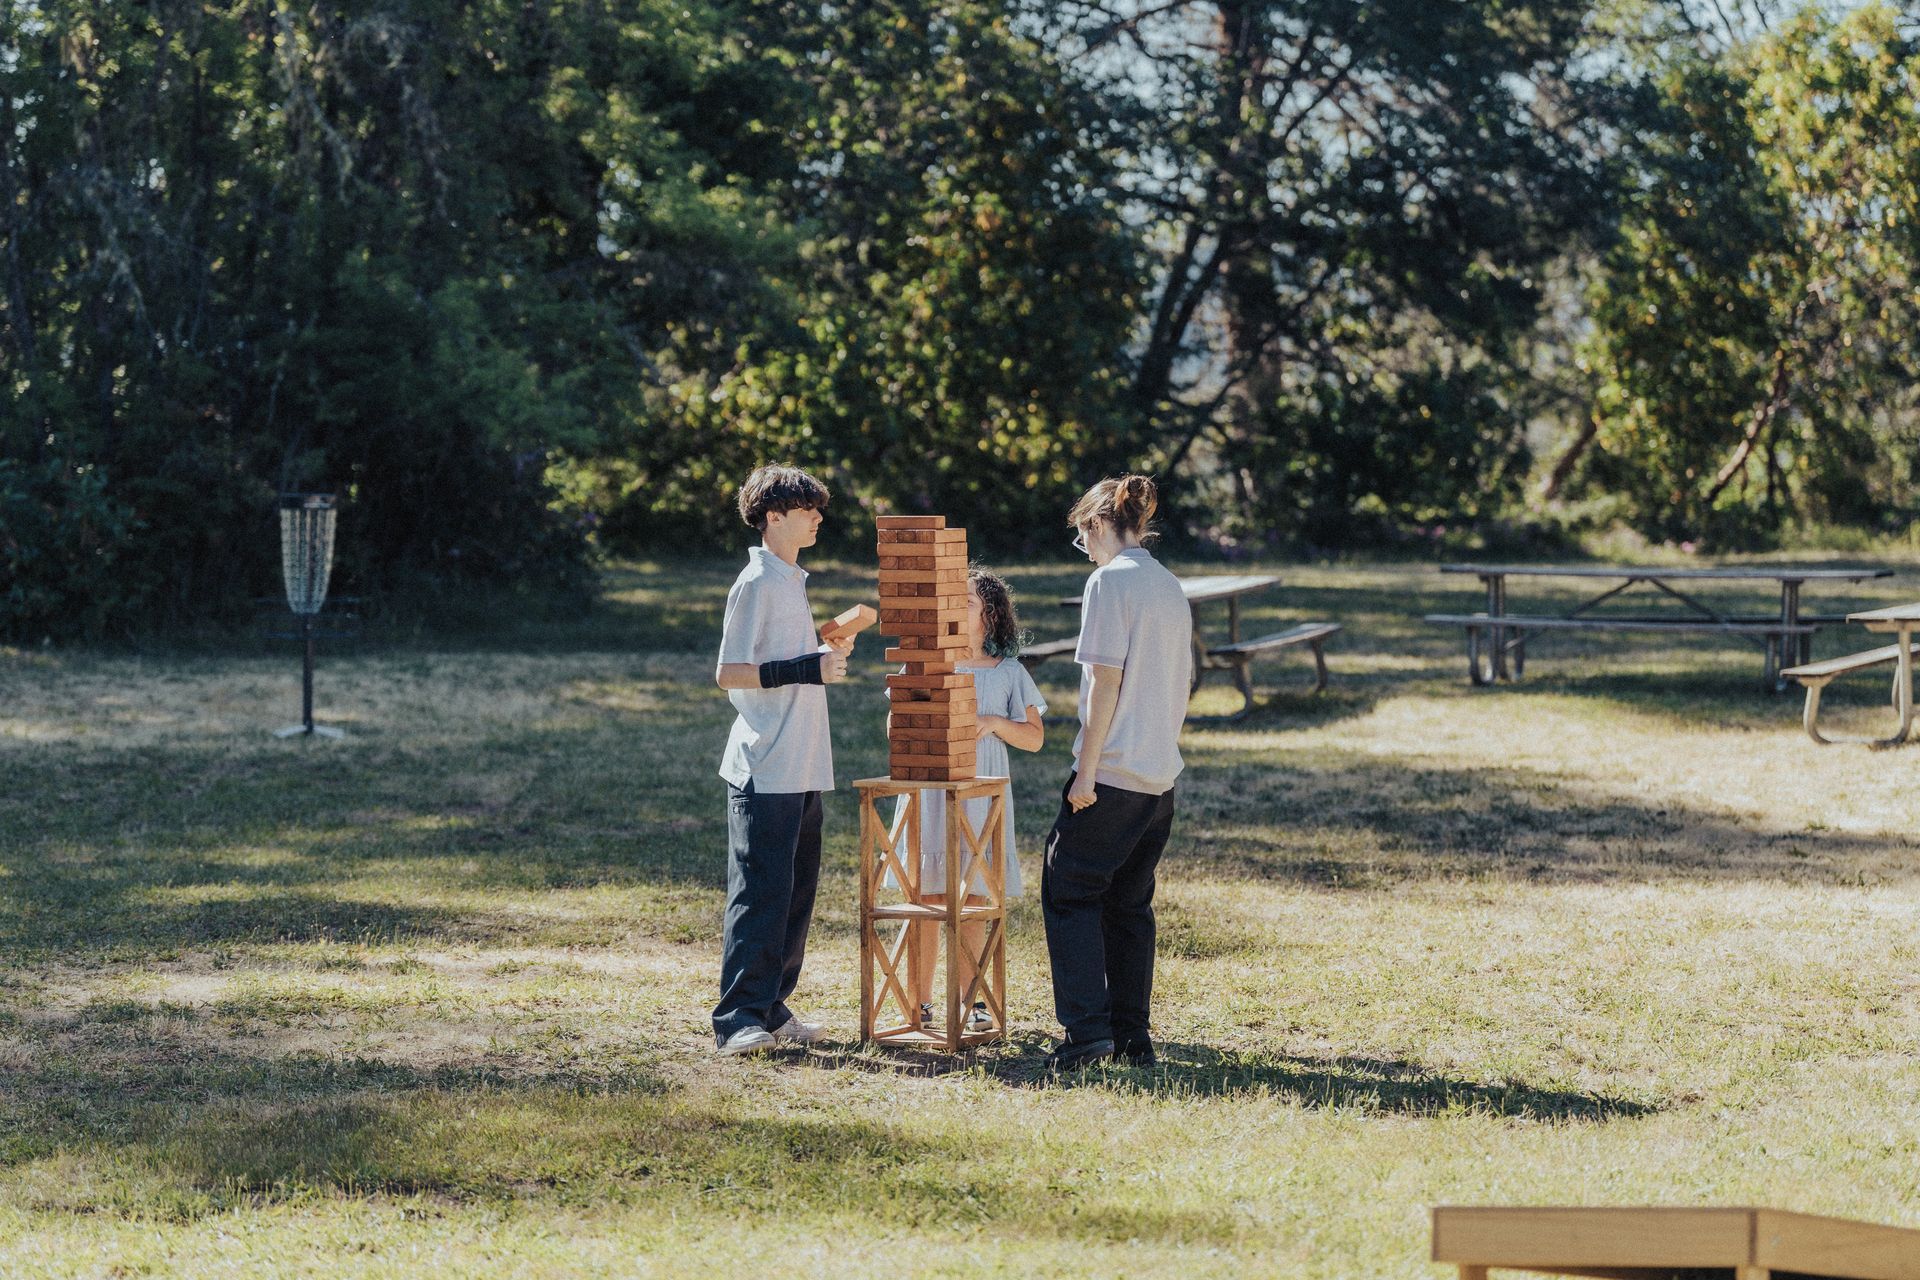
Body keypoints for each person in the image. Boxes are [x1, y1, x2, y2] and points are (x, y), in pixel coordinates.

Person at [1040, 475, 1192, 1072]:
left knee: (1069, 891)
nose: (1087, 552)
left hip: (1115, 772)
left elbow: (1105, 680)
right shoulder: (1168, 584)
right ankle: (1133, 1039)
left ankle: (1085, 1035)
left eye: (1084, 540)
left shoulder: (1109, 582)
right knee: (1129, 907)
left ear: (1097, 526)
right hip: (1159, 777)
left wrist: (1087, 770)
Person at [710, 464, 855, 1055]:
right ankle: (737, 1019)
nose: (819, 516)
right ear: (774, 517)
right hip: (764, 765)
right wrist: (807, 667)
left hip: (802, 763)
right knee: (761, 894)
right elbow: (728, 673)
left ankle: (771, 1009)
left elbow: (788, 664)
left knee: (794, 894)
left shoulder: (791, 579)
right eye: (808, 509)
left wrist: (824, 650)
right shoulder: (757, 582)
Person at [886, 569, 1047, 1033]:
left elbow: (1035, 739)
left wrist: (994, 721)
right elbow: (896, 728)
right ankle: (917, 1004)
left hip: (982, 797)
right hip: (932, 792)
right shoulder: (925, 663)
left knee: (974, 896)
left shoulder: (1010, 672)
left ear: (990, 616)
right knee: (927, 896)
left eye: (968, 602)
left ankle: (972, 1001)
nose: (956, 608)